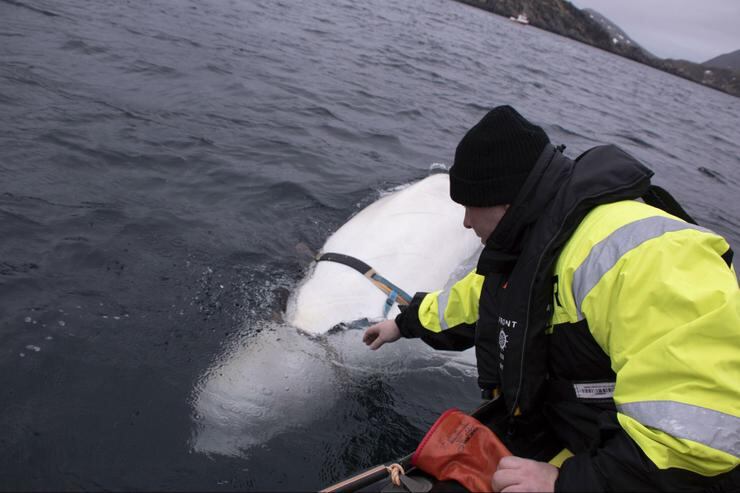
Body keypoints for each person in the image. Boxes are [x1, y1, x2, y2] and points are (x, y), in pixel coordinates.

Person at [363, 106, 739, 492]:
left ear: (504, 201)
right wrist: (401, 325)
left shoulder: (650, 258)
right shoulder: (536, 243)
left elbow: (696, 444)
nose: (465, 222)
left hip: (629, 470)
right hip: (575, 435)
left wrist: (566, 484)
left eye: (469, 206)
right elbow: (477, 301)